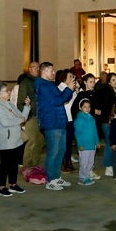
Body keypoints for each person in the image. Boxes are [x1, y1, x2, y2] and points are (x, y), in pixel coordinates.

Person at [34, 61, 75, 191]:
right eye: (51, 71)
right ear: (44, 72)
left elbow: (62, 99)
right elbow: (57, 101)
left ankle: (56, 177)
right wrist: (68, 89)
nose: (53, 73)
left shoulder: (50, 85)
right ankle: (50, 180)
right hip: (51, 122)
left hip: (59, 121)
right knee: (53, 151)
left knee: (61, 150)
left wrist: (68, 90)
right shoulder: (43, 85)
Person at [0, 81, 29, 197]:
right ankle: (1, 187)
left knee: (13, 164)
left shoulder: (10, 105)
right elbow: (6, 122)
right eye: (6, 91)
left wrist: (27, 107)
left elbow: (22, 117)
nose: (9, 92)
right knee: (5, 164)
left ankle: (13, 184)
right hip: (6, 141)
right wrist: (20, 120)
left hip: (15, 140)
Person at [16, 62, 45, 168]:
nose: (37, 69)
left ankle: (35, 163)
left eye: (38, 67)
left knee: (40, 141)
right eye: (35, 67)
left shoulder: (41, 81)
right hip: (31, 116)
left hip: (41, 116)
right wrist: (24, 116)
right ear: (29, 69)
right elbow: (21, 101)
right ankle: (27, 166)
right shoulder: (26, 82)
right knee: (31, 141)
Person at [97, 72, 116, 176]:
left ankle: (114, 165)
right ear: (108, 82)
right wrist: (108, 118)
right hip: (108, 121)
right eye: (113, 80)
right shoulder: (107, 91)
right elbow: (106, 107)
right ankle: (108, 166)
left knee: (114, 143)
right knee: (110, 143)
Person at [73, 98, 100, 185]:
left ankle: (87, 176)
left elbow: (95, 131)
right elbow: (77, 133)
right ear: (80, 108)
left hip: (92, 145)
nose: (87, 109)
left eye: (89, 107)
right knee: (84, 163)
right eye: (85, 107)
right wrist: (79, 144)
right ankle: (82, 178)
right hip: (84, 146)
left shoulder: (92, 118)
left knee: (90, 162)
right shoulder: (79, 119)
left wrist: (97, 142)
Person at [56, 69, 78, 172]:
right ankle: (63, 163)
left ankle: (68, 162)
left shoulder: (70, 89)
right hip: (64, 119)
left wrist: (76, 91)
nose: (72, 79)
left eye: (73, 77)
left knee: (69, 143)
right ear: (64, 78)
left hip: (71, 119)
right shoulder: (60, 88)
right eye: (70, 77)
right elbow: (66, 103)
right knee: (64, 144)